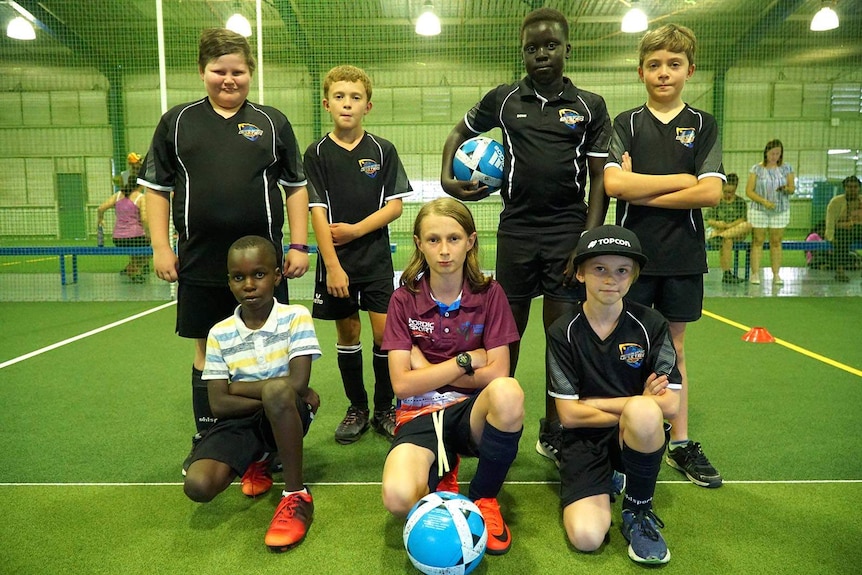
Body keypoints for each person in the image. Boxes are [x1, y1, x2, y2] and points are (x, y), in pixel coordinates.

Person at [439, 7, 611, 466]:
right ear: (523, 52)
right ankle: (497, 418)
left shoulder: (589, 106)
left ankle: (556, 428)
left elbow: (600, 180)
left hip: (566, 233)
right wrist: (445, 179)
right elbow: (460, 130)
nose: (541, 55)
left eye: (550, 46)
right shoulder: (503, 98)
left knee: (561, 333)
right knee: (504, 333)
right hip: (515, 229)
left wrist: (585, 242)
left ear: (567, 49)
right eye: (532, 48)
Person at [137, 28, 310, 475]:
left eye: (238, 71)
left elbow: (295, 188)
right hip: (201, 261)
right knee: (207, 352)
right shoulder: (177, 122)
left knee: (270, 356)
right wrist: (160, 247)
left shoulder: (273, 122)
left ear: (250, 72)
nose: (228, 80)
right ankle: (209, 437)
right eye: (219, 71)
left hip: (263, 265)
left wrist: (296, 244)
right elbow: (156, 190)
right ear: (202, 72)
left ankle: (271, 442)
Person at [603, 24, 724, 488]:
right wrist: (681, 181)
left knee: (673, 350)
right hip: (629, 258)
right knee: (623, 348)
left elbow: (711, 193)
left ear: (689, 70)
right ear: (641, 72)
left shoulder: (704, 124)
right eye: (654, 65)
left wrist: (643, 188)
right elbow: (614, 185)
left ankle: (679, 443)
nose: (664, 73)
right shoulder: (626, 124)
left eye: (674, 64)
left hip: (683, 256)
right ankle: (623, 436)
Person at [380, 198, 524, 556]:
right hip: (418, 414)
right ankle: (443, 471)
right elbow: (401, 384)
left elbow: (497, 373)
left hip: (469, 412)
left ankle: (485, 497)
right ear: (418, 243)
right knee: (398, 499)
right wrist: (464, 361)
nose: (444, 251)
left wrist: (424, 367)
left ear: (471, 241)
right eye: (433, 240)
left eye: (454, 238)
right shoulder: (402, 300)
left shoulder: (491, 295)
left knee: (508, 393)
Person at [548, 225, 680, 565]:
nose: (611, 279)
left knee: (646, 413)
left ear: (633, 276)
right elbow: (569, 416)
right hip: (583, 441)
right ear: (580, 273)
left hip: (632, 434)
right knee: (587, 538)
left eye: (622, 270)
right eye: (600, 269)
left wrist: (602, 404)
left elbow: (671, 404)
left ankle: (638, 511)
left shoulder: (651, 324)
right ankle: (608, 477)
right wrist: (638, 401)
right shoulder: (564, 331)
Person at [184, 236, 321, 552]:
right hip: (244, 419)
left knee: (280, 393)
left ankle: (295, 494)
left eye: (259, 274)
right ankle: (257, 457)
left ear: (276, 276)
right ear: (229, 282)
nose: (249, 284)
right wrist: (273, 392)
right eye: (238, 277)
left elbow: (298, 384)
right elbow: (218, 403)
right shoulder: (219, 333)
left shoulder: (295, 316)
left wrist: (238, 387)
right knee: (198, 485)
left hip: (288, 412)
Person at [304, 65, 412, 445]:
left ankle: (385, 407)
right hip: (337, 265)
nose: (346, 104)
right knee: (348, 331)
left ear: (369, 105)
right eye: (339, 97)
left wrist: (355, 230)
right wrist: (332, 264)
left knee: (385, 334)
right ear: (326, 104)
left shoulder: (383, 150)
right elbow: (315, 210)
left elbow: (395, 206)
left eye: (355, 98)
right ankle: (358, 408)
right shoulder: (316, 153)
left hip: (376, 261)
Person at [745, 139, 795, 285]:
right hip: (759, 210)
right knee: (758, 240)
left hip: (780, 210)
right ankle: (755, 274)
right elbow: (749, 191)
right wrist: (764, 201)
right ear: (766, 153)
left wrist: (786, 189)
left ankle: (776, 274)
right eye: (772, 153)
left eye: (777, 153)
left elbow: (792, 188)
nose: (774, 156)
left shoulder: (787, 169)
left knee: (776, 241)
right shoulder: (756, 169)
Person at [96, 180, 150, 282]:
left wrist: (100, 219)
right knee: (150, 251)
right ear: (140, 185)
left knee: (135, 251)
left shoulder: (118, 195)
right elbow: (144, 219)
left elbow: (100, 208)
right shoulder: (141, 197)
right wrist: (148, 233)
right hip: (136, 237)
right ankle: (133, 270)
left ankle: (131, 268)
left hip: (118, 239)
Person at [704, 173, 751, 284]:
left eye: (731, 192)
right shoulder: (717, 200)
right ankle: (727, 274)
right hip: (721, 231)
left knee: (747, 225)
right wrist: (718, 223)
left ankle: (720, 237)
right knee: (727, 241)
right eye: (726, 192)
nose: (728, 194)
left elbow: (742, 220)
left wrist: (728, 226)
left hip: (734, 232)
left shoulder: (740, 202)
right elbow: (709, 220)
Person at [825, 175, 862, 282]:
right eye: (849, 187)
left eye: (855, 187)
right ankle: (840, 272)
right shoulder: (835, 202)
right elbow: (830, 222)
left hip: (858, 229)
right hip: (843, 231)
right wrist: (830, 237)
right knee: (842, 239)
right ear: (844, 188)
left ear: (859, 188)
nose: (852, 190)